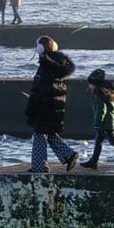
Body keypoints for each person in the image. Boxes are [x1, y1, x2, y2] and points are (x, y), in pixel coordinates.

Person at [24, 36, 78, 173]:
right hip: (56, 105)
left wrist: (30, 109)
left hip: (45, 105)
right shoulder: (60, 64)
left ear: (40, 48)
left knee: (39, 135)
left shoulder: (46, 66)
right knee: (49, 133)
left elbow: (39, 89)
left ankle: (40, 166)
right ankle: (69, 155)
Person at [83, 69, 114, 170]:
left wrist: (98, 123)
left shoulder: (99, 94)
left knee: (113, 141)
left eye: (90, 84)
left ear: (95, 84)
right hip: (109, 121)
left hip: (105, 123)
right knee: (99, 141)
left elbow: (101, 110)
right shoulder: (108, 92)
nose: (89, 86)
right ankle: (94, 161)